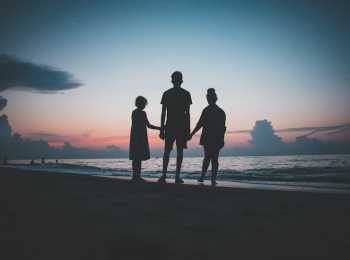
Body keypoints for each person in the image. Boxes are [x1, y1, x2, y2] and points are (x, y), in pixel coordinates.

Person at [158, 71, 192, 184]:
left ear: (172, 80)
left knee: (168, 151)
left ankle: (164, 175)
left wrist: (162, 128)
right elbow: (188, 114)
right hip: (179, 126)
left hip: (172, 126)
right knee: (178, 151)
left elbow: (163, 113)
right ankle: (176, 176)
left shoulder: (167, 93)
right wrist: (188, 129)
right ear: (181, 80)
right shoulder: (185, 93)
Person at [189, 88, 226, 185]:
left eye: (208, 98)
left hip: (210, 137)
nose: (208, 99)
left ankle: (204, 177)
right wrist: (222, 139)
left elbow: (199, 124)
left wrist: (191, 134)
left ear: (210, 98)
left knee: (208, 158)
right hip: (215, 138)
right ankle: (211, 178)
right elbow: (223, 128)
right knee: (214, 158)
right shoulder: (220, 111)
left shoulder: (208, 110)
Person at [129, 96, 161, 181]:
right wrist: (160, 128)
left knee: (135, 157)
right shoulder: (142, 113)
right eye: (144, 104)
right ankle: (137, 176)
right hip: (140, 136)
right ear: (142, 104)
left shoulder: (134, 112)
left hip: (134, 135)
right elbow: (149, 125)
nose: (145, 106)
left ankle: (135, 176)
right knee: (138, 157)